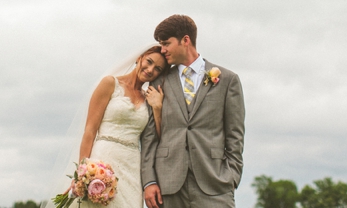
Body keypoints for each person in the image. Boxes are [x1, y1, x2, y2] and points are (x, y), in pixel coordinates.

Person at [141, 15, 245, 208]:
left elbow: (235, 135)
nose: (162, 50)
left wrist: (231, 176)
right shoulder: (158, 82)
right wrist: (149, 181)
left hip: (214, 185)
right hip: (168, 186)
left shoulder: (228, 80)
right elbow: (149, 137)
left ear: (185, 40)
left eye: (166, 43)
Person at [76, 45, 170, 207]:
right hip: (103, 161)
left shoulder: (150, 98)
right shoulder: (109, 83)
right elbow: (90, 131)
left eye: (157, 69)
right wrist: (82, 173)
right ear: (139, 58)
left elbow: (158, 138)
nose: (150, 69)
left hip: (132, 166)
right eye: (149, 61)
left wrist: (157, 109)